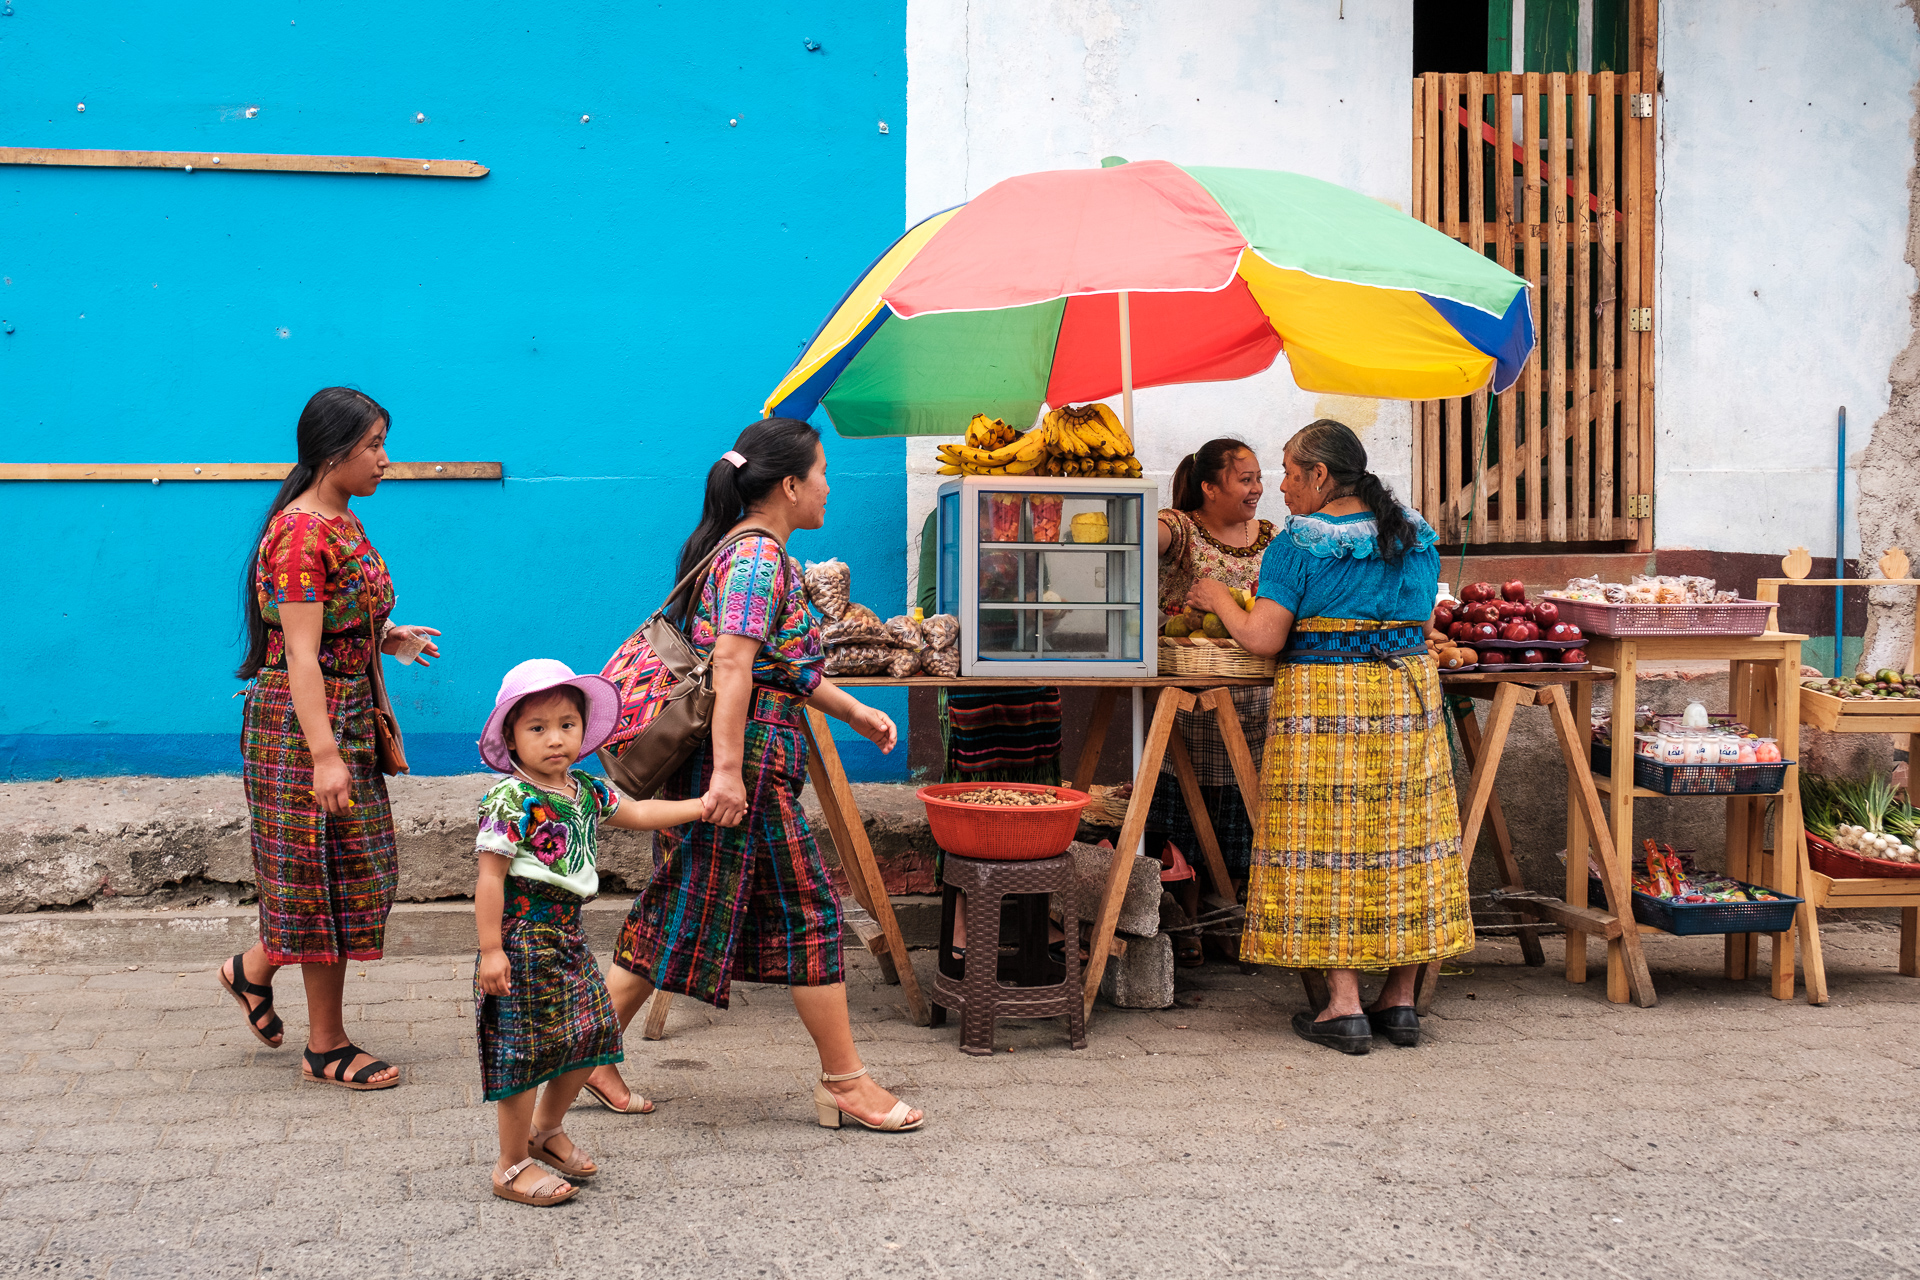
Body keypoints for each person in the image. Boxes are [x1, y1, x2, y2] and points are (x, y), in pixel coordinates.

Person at [589, 417, 924, 1132]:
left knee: (682, 907)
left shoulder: (755, 555)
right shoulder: (758, 562)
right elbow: (735, 665)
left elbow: (776, 665)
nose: (830, 487)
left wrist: (855, 711)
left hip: (747, 760)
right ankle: (847, 1082)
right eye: (823, 474)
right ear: (792, 484)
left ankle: (584, 1048)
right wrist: (731, 776)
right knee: (810, 912)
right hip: (742, 767)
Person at [1189, 419, 1469, 1055]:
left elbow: (1263, 637)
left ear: (1319, 476)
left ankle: (1342, 1008)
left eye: (1290, 471)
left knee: (1327, 848)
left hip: (1326, 705)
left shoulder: (1299, 546)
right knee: (1408, 843)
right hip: (1407, 699)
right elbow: (1421, 621)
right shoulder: (1415, 536)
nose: (1282, 486)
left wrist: (1216, 598)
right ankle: (1399, 1003)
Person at [222, 387, 442, 1089]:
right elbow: (299, 654)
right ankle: (327, 1045)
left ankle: (253, 968)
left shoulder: (342, 522)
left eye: (383, 443)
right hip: (301, 727)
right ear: (332, 453)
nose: (386, 460)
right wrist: (323, 754)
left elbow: (340, 620)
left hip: (343, 714)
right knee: (318, 881)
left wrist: (388, 637)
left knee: (354, 873)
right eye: (374, 445)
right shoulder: (298, 535)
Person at [472, 659, 711, 1206]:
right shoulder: (510, 801)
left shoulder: (585, 790)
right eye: (537, 728)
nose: (555, 739)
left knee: (591, 1033)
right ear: (510, 736)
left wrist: (701, 807)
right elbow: (489, 879)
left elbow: (642, 811)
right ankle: (510, 1166)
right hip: (524, 937)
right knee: (526, 1051)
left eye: (566, 725)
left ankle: (547, 1129)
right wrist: (490, 950)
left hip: (568, 935)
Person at [1146, 438, 1277, 960]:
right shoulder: (1180, 527)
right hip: (1193, 697)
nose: (1258, 489)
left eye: (1259, 478)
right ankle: (1192, 922)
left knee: (1244, 809)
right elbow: (1141, 537)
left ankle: (1233, 921)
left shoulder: (1270, 535)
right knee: (1189, 812)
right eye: (1245, 479)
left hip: (1258, 698)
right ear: (1209, 486)